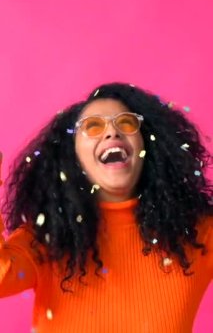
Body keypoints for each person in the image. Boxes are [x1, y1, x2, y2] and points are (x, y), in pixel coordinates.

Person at [0, 82, 212, 333]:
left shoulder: (198, 231)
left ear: (147, 145)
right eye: (93, 126)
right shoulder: (47, 238)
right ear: (72, 155)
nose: (112, 132)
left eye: (126, 123)